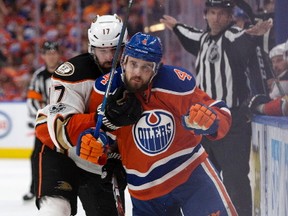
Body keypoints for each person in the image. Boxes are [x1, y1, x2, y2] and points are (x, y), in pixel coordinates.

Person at [77, 32, 237, 215]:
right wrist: (92, 143)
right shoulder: (105, 91)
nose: (137, 73)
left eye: (146, 67)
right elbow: (98, 133)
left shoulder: (175, 84)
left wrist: (211, 120)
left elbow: (219, 110)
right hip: (145, 190)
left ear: (156, 68)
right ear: (123, 61)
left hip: (191, 174)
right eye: (133, 64)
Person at [159, 0, 273, 215]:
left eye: (222, 13)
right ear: (206, 15)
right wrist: (175, 26)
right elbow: (189, 34)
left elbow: (243, 40)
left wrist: (252, 33)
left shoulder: (233, 36)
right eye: (212, 13)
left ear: (230, 16)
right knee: (204, 179)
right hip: (203, 121)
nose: (216, 18)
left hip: (232, 122)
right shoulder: (203, 39)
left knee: (234, 179)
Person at [34, 14, 128, 216]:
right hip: (63, 155)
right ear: (92, 48)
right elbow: (60, 128)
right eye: (103, 50)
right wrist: (99, 120)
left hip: (104, 162)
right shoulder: (73, 73)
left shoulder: (134, 75)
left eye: (115, 49)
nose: (110, 57)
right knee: (55, 211)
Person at [22, 41, 62, 201]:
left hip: (64, 124)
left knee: (67, 158)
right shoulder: (38, 76)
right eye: (48, 53)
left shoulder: (66, 72)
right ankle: (34, 189)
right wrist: (40, 118)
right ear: (43, 56)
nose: (51, 56)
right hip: (44, 125)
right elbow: (32, 100)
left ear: (58, 54)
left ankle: (69, 188)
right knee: (36, 157)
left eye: (54, 53)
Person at [249, 42, 288, 116]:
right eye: (273, 62)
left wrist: (259, 107)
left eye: (279, 60)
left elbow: (283, 105)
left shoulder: (283, 81)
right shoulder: (276, 81)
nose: (275, 65)